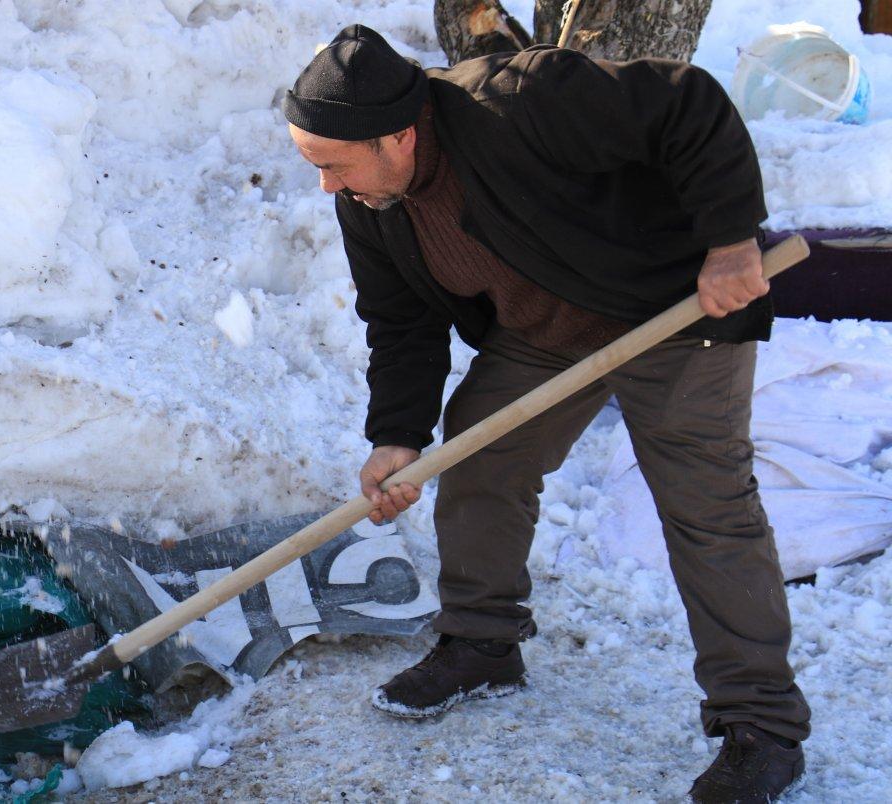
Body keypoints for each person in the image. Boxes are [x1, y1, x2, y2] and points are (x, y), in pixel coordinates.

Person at [282, 25, 811, 803]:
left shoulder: (521, 100)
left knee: (707, 506)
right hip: (548, 329)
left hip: (674, 309)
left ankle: (762, 726)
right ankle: (483, 644)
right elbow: (400, 320)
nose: (325, 186)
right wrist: (397, 436)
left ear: (396, 134)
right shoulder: (373, 197)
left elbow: (688, 105)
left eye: (332, 165)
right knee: (479, 459)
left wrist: (731, 241)